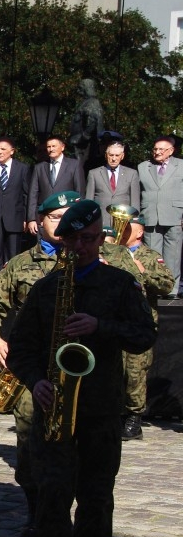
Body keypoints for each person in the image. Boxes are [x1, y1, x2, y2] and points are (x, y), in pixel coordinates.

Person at [6, 198, 156, 537]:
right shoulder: (47, 287)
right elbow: (21, 349)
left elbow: (144, 335)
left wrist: (100, 326)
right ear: (66, 241)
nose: (86, 247)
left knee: (96, 499)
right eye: (76, 240)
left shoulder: (120, 283)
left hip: (100, 411)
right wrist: (36, 381)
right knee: (53, 497)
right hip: (55, 410)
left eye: (92, 239)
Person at [0, 191, 75, 537]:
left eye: (68, 216)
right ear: (39, 223)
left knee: (77, 446)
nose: (61, 224)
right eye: (54, 217)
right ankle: (36, 515)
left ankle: (67, 514)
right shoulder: (19, 265)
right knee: (30, 443)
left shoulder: (95, 258)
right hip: (34, 369)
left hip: (80, 370)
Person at [116, 208, 174, 440]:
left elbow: (167, 285)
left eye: (128, 227)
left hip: (139, 324)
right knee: (115, 371)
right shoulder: (113, 254)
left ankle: (134, 418)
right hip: (115, 322)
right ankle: (116, 414)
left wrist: (145, 273)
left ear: (139, 232)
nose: (123, 230)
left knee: (135, 372)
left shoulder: (149, 256)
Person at [0, 137, 32, 284]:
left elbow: (26, 194)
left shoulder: (22, 168)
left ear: (12, 151)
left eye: (3, 149)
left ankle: (12, 288)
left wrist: (27, 218)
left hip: (14, 218)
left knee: (13, 258)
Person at [138, 136, 183, 296]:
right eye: (155, 149)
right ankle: (154, 286)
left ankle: (171, 288)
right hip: (150, 215)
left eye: (161, 149)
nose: (157, 152)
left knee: (173, 255)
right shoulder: (143, 167)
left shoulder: (181, 166)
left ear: (171, 151)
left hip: (175, 216)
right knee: (153, 254)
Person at [28, 135, 85, 222]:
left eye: (54, 146)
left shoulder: (74, 165)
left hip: (67, 215)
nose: (51, 149)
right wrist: (31, 219)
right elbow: (33, 194)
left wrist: (78, 215)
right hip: (44, 216)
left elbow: (79, 192)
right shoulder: (39, 167)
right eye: (48, 147)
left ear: (62, 147)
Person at [85, 141, 140, 225]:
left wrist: (135, 222)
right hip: (100, 221)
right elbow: (89, 201)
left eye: (117, 155)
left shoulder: (132, 174)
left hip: (123, 222)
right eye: (111, 155)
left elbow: (135, 202)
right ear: (106, 155)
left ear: (122, 156)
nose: (113, 158)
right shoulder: (94, 174)